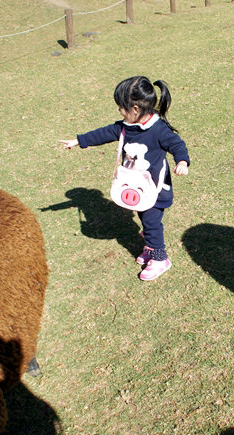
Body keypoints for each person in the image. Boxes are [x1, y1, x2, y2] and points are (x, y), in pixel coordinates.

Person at [59, 76, 190, 281]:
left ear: (135, 109)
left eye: (121, 107)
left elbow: (177, 145)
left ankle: (160, 258)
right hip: (136, 185)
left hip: (154, 188)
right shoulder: (125, 126)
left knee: (151, 222)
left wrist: (182, 161)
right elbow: (103, 133)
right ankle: (150, 246)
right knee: (144, 217)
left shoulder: (158, 129)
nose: (120, 111)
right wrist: (79, 141)